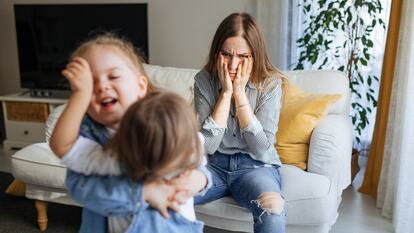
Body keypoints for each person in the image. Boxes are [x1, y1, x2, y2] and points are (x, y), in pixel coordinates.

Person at [49, 33, 210, 233]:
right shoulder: (104, 149)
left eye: (113, 76)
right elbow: (65, 152)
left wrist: (200, 180)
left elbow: (198, 160)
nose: (102, 86)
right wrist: (143, 192)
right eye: (89, 83)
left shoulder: (170, 119)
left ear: (140, 86)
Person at [193, 12, 287, 233]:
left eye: (243, 56)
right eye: (226, 54)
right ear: (217, 53)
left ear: (255, 56)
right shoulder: (204, 81)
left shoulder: (271, 84)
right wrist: (226, 94)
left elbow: (261, 147)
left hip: (256, 166)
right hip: (212, 165)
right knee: (165, 192)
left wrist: (240, 96)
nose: (233, 65)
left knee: (273, 209)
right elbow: (207, 146)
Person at [63, 91, 206, 232]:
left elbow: (201, 167)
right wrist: (144, 191)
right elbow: (71, 157)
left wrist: (201, 179)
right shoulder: (116, 160)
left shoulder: (188, 156)